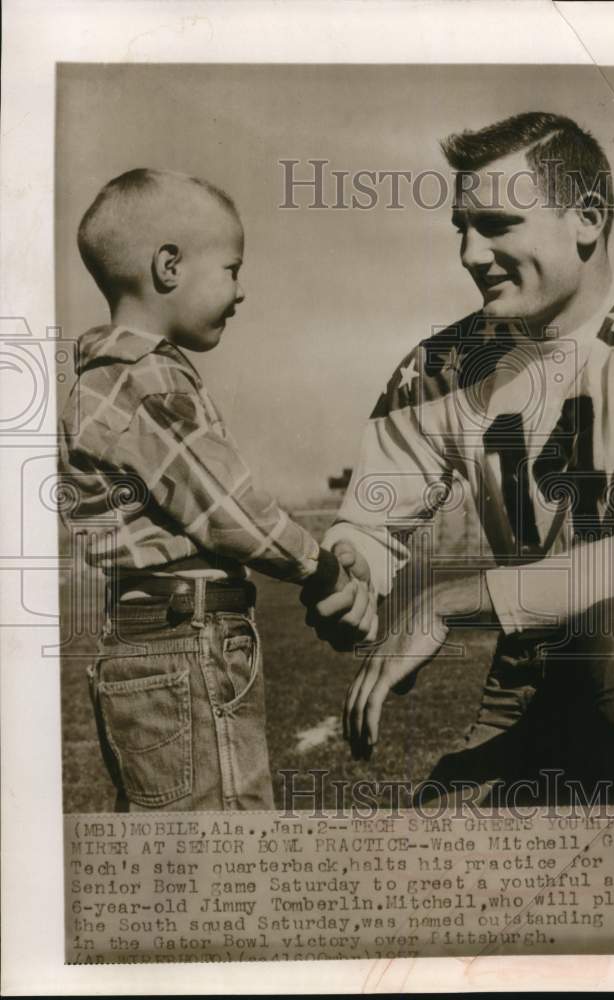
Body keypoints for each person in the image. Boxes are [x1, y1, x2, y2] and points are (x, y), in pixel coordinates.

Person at [305, 112, 614, 806]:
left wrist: (454, 603)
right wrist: (349, 570)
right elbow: (370, 520)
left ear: (585, 219)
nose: (468, 253)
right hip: (531, 665)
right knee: (443, 875)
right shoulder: (444, 366)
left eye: (496, 226)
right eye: (461, 228)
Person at [60, 168, 377, 812]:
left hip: (152, 638)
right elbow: (226, 508)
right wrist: (318, 569)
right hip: (188, 643)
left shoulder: (106, 380)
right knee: (224, 842)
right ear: (169, 265)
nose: (241, 291)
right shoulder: (144, 379)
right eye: (232, 269)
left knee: (172, 853)